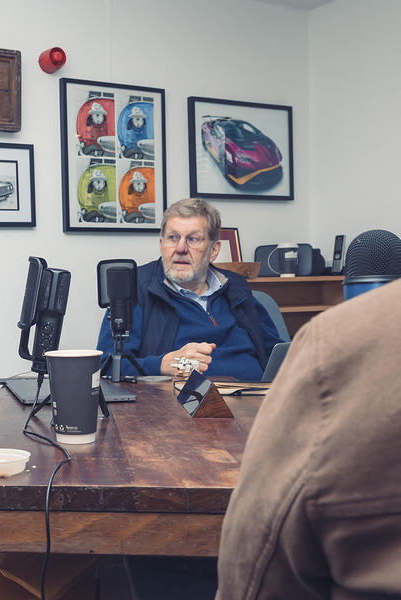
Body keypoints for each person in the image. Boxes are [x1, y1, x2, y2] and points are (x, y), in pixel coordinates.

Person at [217, 278, 401, 598]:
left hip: (254, 407)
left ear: (212, 252)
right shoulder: (142, 294)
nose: (181, 252)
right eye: (172, 245)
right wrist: (159, 363)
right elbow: (121, 361)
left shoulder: (244, 297)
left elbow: (258, 559)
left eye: (194, 245)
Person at [96, 197, 281, 380]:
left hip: (256, 394)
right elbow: (107, 367)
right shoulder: (134, 288)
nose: (181, 248)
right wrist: (161, 365)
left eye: (193, 239)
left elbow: (277, 354)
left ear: (214, 250)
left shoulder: (235, 287)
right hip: (182, 397)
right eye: (173, 238)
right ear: (161, 245)